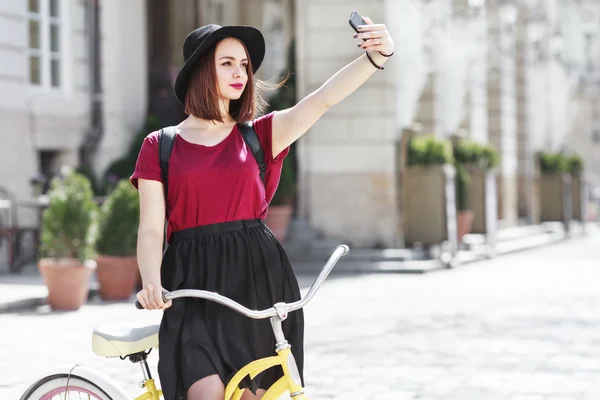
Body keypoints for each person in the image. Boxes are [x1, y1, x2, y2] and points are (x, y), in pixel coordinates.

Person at [131, 15, 395, 400]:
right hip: (192, 287)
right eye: (227, 63)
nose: (240, 73)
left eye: (244, 65)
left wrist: (376, 56)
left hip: (257, 280)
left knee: (254, 395)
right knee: (205, 392)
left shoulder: (260, 135)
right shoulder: (161, 145)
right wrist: (151, 280)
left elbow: (322, 99)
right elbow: (152, 228)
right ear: (201, 71)